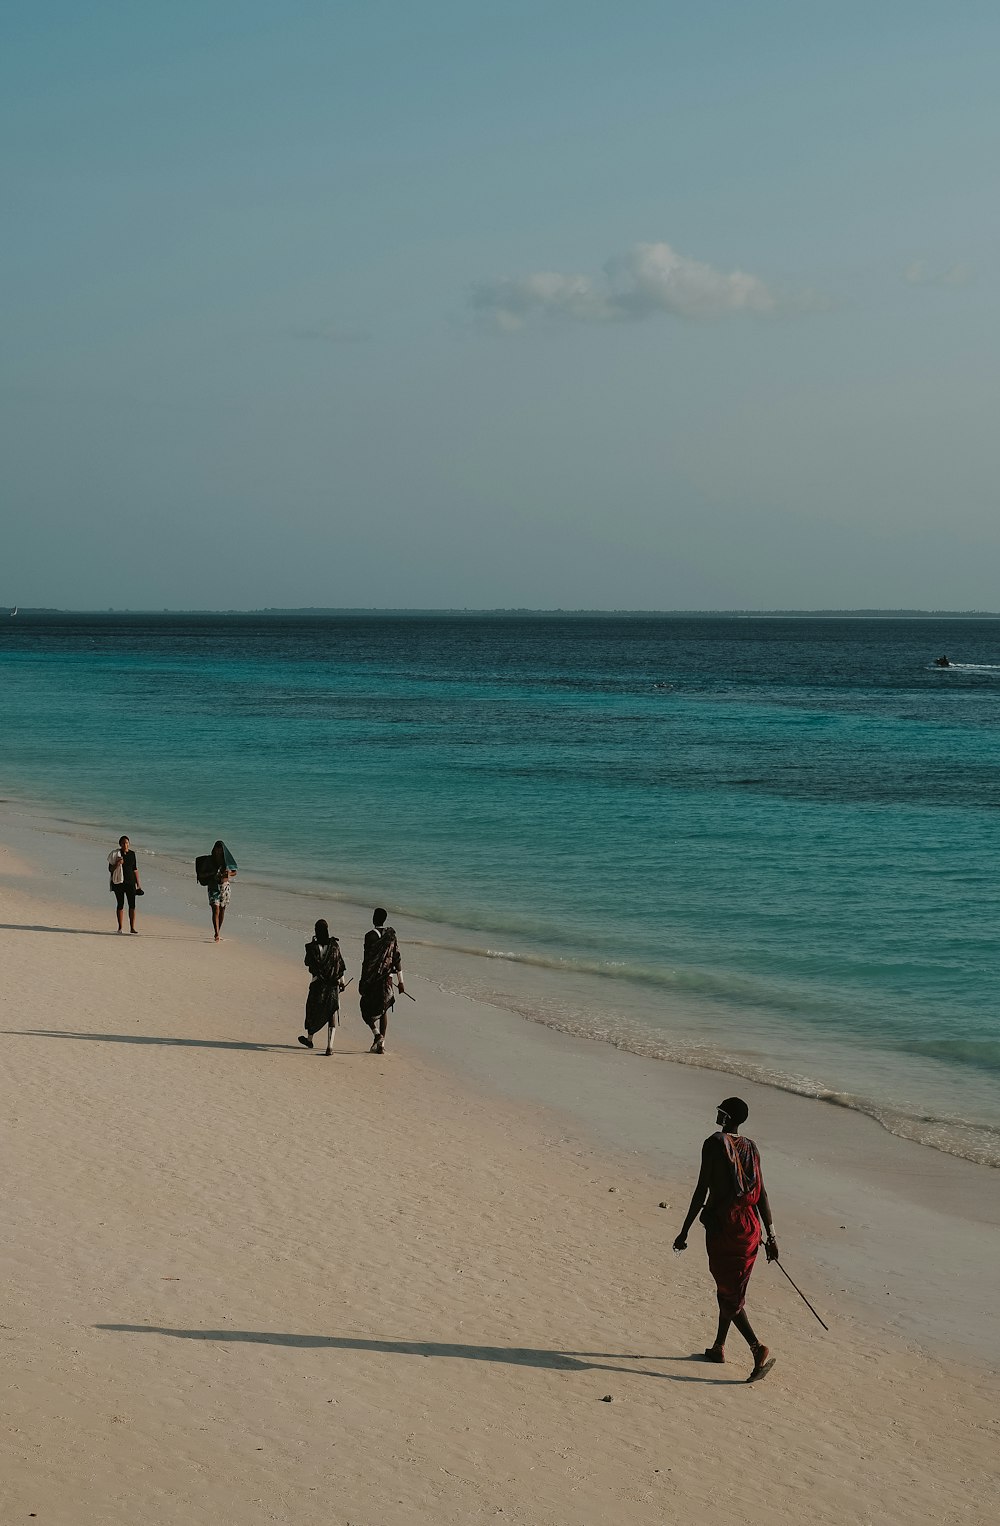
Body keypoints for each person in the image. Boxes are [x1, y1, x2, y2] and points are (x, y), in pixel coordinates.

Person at [672, 1097, 778, 1383]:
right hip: (751, 1229)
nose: (716, 1114)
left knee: (727, 1292)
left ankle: (757, 1348)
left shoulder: (714, 1142)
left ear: (725, 1116)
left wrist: (684, 1231)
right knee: (731, 1288)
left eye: (719, 1111)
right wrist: (771, 1236)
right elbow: (763, 1195)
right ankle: (718, 1347)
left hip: (725, 1227)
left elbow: (701, 1190)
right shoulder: (751, 1147)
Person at [358, 908, 403, 1054]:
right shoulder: (391, 937)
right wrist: (401, 981)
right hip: (388, 979)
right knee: (384, 1010)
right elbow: (397, 958)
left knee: (365, 1008)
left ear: (374, 918)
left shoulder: (369, 936)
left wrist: (363, 979)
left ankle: (377, 1035)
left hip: (373, 980)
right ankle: (381, 1045)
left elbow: (367, 962)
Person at [298, 919, 347, 1055]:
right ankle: (329, 1047)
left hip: (317, 983)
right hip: (332, 985)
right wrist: (342, 982)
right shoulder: (335, 946)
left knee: (312, 1010)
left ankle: (309, 1039)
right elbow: (340, 966)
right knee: (331, 1012)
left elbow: (307, 962)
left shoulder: (313, 948)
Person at [108, 835, 143, 934]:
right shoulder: (116, 855)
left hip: (130, 883)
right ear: (120, 844)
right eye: (123, 843)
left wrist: (138, 884)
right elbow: (110, 869)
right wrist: (118, 864)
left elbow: (135, 869)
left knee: (132, 905)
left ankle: (132, 927)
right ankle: (120, 928)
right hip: (118, 883)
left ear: (129, 844)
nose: (125, 845)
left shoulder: (132, 854)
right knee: (120, 904)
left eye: (127, 843)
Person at [206, 840, 236, 942]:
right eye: (216, 850)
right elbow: (204, 872)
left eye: (220, 851)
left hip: (225, 886)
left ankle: (218, 930)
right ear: (214, 850)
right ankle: (217, 934)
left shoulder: (227, 860)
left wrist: (228, 874)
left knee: (222, 909)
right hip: (213, 886)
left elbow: (234, 871)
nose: (218, 852)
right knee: (216, 909)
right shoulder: (210, 860)